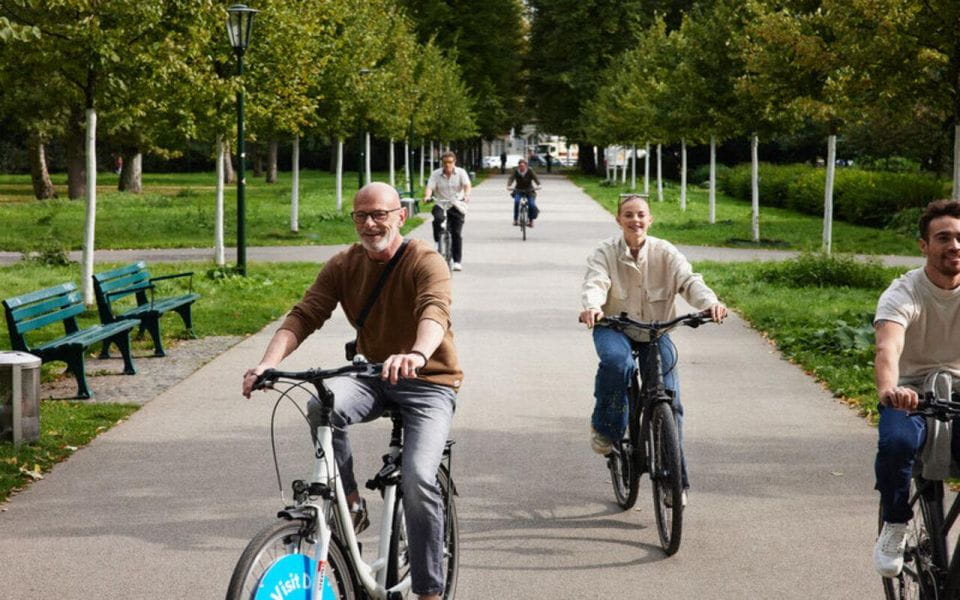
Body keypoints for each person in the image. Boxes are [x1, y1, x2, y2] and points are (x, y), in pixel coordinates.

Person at [242, 182, 463, 600]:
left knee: (418, 478)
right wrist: (268, 363)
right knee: (320, 403)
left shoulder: (425, 260)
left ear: (401, 215)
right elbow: (305, 314)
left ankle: (430, 591)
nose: (370, 223)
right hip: (372, 375)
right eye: (361, 215)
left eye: (379, 214)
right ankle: (350, 499)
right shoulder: (344, 264)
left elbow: (434, 309)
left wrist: (416, 353)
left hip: (429, 380)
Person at [578, 193, 726, 505]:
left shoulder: (665, 252)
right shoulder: (605, 252)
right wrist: (592, 307)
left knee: (670, 401)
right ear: (619, 219)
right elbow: (596, 282)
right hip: (614, 327)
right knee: (618, 365)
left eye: (641, 215)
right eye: (628, 215)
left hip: (656, 332)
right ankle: (607, 428)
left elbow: (689, 281)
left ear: (650, 219)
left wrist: (710, 303)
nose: (635, 220)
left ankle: (673, 482)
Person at [872, 199, 960, 578]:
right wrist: (891, 390)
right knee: (897, 444)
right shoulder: (904, 292)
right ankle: (895, 523)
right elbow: (887, 346)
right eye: (944, 238)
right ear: (924, 245)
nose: (955, 245)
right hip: (910, 393)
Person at [424, 151, 471, 272]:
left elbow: (467, 185)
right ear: (442, 163)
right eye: (445, 162)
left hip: (456, 203)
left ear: (454, 162)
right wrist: (427, 196)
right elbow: (430, 187)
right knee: (438, 219)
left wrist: (466, 195)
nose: (447, 165)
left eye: (450, 162)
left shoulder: (461, 172)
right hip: (441, 202)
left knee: (456, 233)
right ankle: (437, 240)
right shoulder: (436, 174)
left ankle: (457, 261)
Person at [507, 158, 541, 227]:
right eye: (520, 166)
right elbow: (511, 178)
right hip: (518, 190)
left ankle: (531, 221)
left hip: (529, 190)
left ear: (526, 166)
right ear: (518, 166)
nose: (521, 167)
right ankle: (515, 220)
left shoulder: (530, 171)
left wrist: (538, 185)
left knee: (531, 204)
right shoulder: (516, 171)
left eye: (523, 166)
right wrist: (509, 185)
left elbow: (535, 178)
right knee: (516, 202)